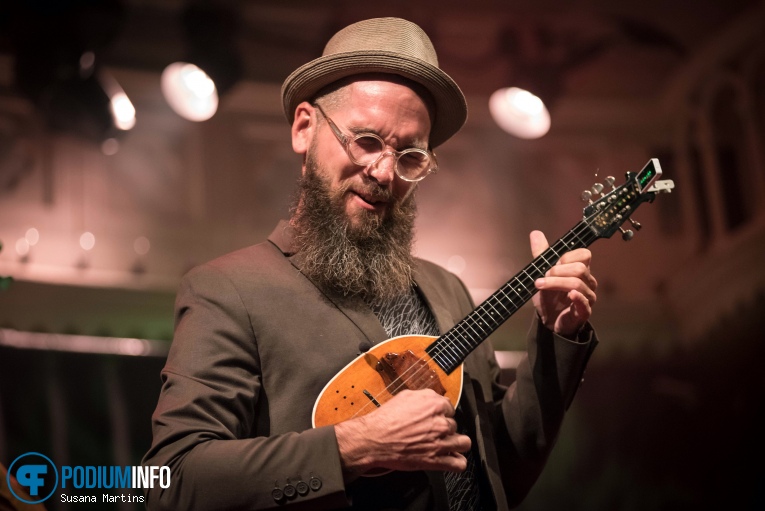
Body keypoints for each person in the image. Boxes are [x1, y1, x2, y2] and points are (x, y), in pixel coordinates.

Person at [142, 17, 598, 511]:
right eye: (366, 140)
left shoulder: (448, 290)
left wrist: (556, 338)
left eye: (410, 156)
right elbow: (170, 481)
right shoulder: (228, 289)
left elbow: (496, 471)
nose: (383, 172)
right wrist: (354, 446)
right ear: (303, 128)